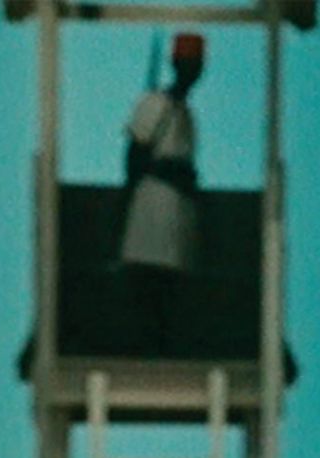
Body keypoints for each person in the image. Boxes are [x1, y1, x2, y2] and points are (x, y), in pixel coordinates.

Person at [118, 32, 205, 353]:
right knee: (146, 284)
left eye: (195, 65)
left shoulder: (187, 114)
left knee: (170, 288)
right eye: (186, 63)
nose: (191, 71)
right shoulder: (155, 103)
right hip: (152, 205)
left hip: (178, 213)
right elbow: (135, 155)